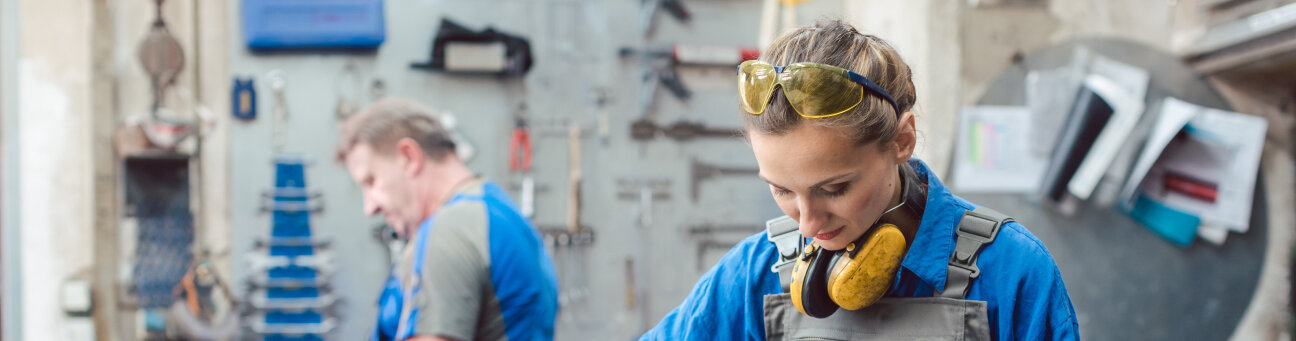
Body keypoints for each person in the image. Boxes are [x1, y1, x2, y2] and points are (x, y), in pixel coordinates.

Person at [640, 20, 1078, 340]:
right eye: (782, 190)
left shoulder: (1012, 272)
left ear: (902, 141)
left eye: (834, 188)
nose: (808, 225)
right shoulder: (756, 275)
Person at [336, 97, 559, 341]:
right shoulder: (499, 211)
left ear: (409, 157)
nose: (370, 207)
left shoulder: (447, 233)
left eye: (371, 181)